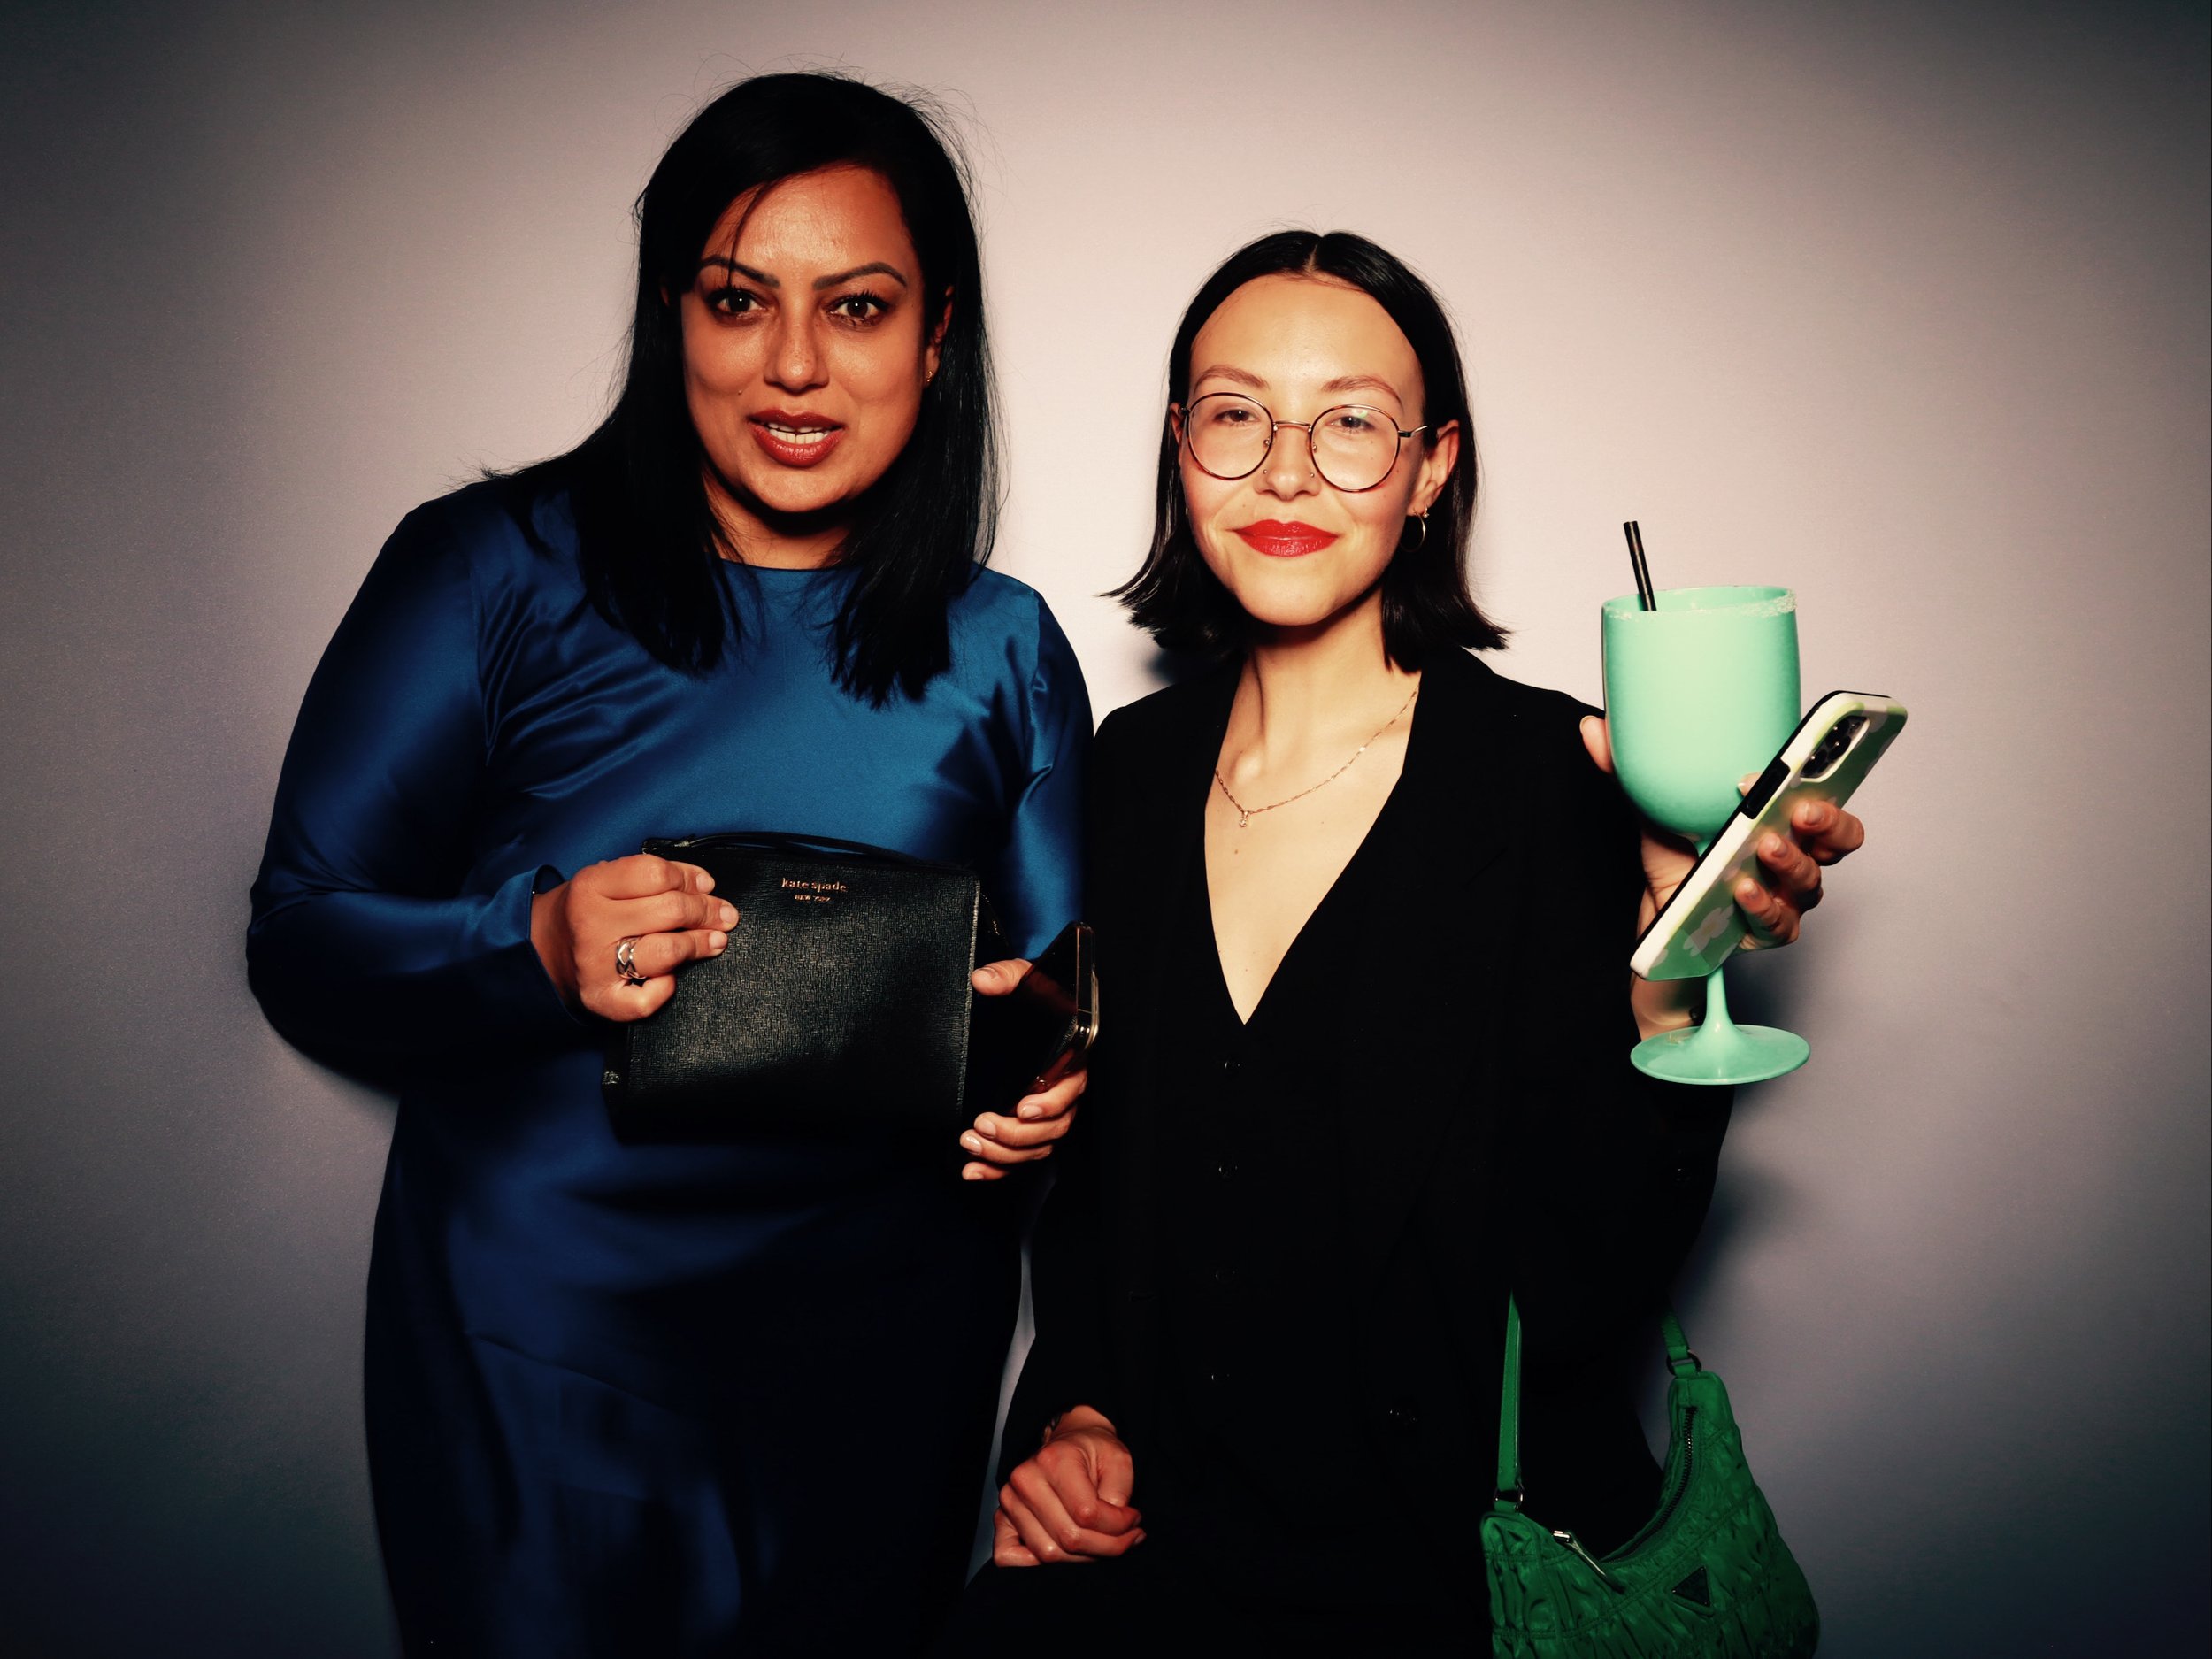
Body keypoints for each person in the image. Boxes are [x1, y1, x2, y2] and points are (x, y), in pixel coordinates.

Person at [247, 73, 1090, 1655]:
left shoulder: (1007, 648)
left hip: (884, 1350)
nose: (792, 365)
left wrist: (1046, 1077)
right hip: (547, 1341)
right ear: (669, 314)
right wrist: (531, 945)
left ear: (937, 333)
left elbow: (1058, 997)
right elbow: (300, 934)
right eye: (734, 299)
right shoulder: (488, 567)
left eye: (856, 307)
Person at [941, 231, 1863, 1654]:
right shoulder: (1117, 768)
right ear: (1181, 449)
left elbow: (1589, 1287)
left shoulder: (1565, 781)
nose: (1290, 471)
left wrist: (1670, 968)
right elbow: (1102, 1194)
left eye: (1354, 424)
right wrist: (1076, 1413)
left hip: (1442, 1589)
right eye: (1238, 415)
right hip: (1154, 1567)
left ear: (1434, 468)